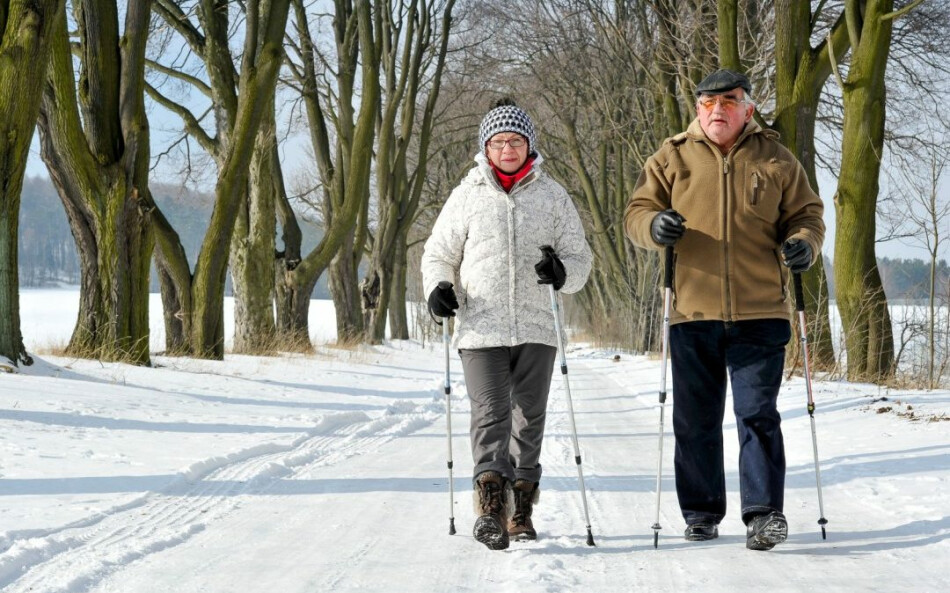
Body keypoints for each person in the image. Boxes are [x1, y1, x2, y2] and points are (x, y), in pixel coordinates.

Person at [623, 69, 824, 551]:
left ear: (748, 108)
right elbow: (636, 213)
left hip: (761, 311)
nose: (718, 109)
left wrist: (804, 245)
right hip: (692, 311)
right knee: (695, 418)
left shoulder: (776, 157)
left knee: (757, 413)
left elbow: (807, 216)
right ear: (697, 109)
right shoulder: (671, 157)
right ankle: (700, 511)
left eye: (729, 101)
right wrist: (655, 226)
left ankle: (763, 514)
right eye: (709, 102)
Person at [422, 98, 592, 550]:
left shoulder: (553, 195)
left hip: (537, 325)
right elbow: (438, 252)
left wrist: (563, 273)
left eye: (515, 140)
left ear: (529, 144)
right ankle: (490, 508)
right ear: (486, 148)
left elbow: (580, 260)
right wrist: (438, 286)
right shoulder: (467, 195)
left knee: (528, 417)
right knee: (490, 413)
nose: (507, 148)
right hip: (480, 326)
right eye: (498, 142)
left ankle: (521, 507)